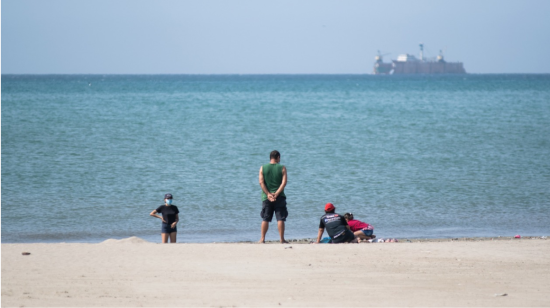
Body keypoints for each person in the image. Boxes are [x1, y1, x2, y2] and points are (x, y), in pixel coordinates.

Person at [258, 150, 288, 244]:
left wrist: (268, 194)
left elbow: (261, 182)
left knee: (265, 218)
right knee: (280, 218)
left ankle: (262, 239)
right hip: (279, 197)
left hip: (266, 197)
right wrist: (277, 193)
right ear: (278, 157)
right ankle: (282, 239)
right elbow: (284, 182)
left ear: (270, 158)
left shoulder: (262, 168)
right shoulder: (282, 168)